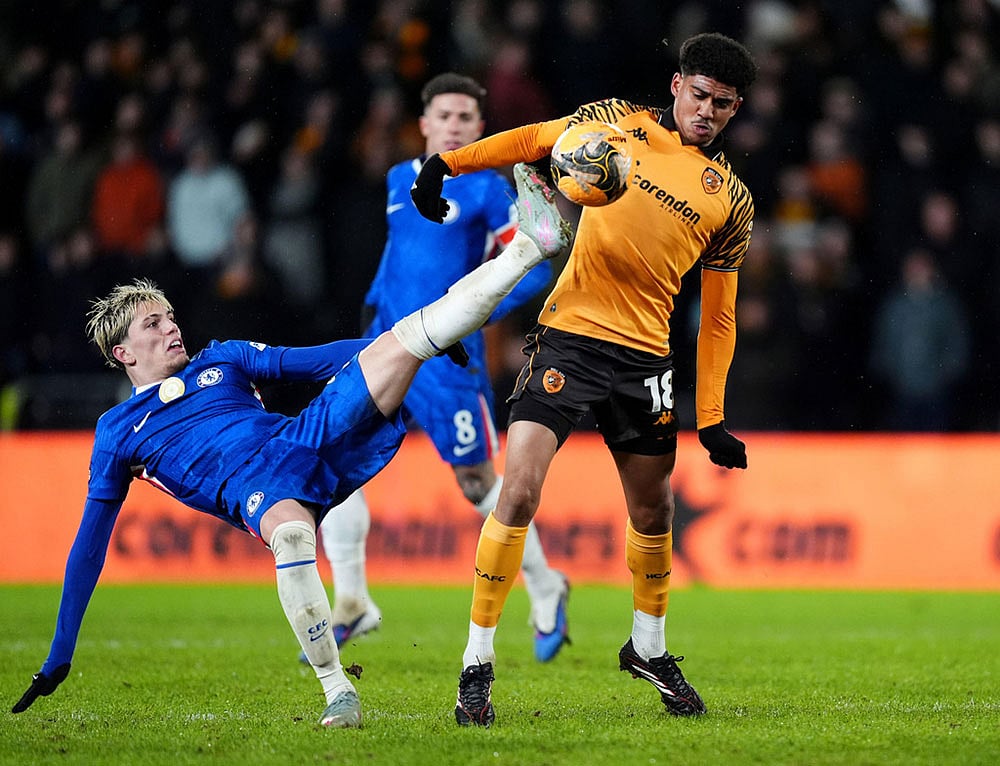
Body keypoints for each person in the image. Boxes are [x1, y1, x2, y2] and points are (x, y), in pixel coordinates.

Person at [10, 161, 572, 728]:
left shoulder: (221, 358)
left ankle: (531, 246)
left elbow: (311, 361)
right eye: (152, 325)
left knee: (411, 331)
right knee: (293, 534)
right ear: (123, 353)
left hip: (305, 435)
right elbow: (89, 546)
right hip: (256, 488)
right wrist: (60, 652)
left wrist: (416, 344)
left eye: (169, 317)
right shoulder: (117, 430)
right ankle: (338, 692)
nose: (171, 327)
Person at [408, 32, 757, 726]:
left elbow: (719, 317)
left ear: (735, 108)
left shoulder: (733, 202)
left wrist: (714, 416)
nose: (707, 112)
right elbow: (532, 139)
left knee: (654, 513)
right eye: (699, 95)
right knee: (518, 492)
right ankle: (477, 662)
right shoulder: (612, 122)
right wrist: (447, 163)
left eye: (722, 104)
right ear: (677, 85)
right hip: (570, 339)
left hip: (646, 360)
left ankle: (647, 647)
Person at [316, 72, 571, 663]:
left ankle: (546, 585)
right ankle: (351, 599)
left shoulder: (487, 189)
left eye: (465, 118)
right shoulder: (398, 179)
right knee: (330, 461)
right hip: (384, 346)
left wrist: (473, 317)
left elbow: (535, 262)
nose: (454, 126)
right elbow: (397, 257)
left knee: (476, 482)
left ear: (480, 129)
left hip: (447, 359)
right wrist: (371, 312)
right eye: (444, 116)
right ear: (424, 123)